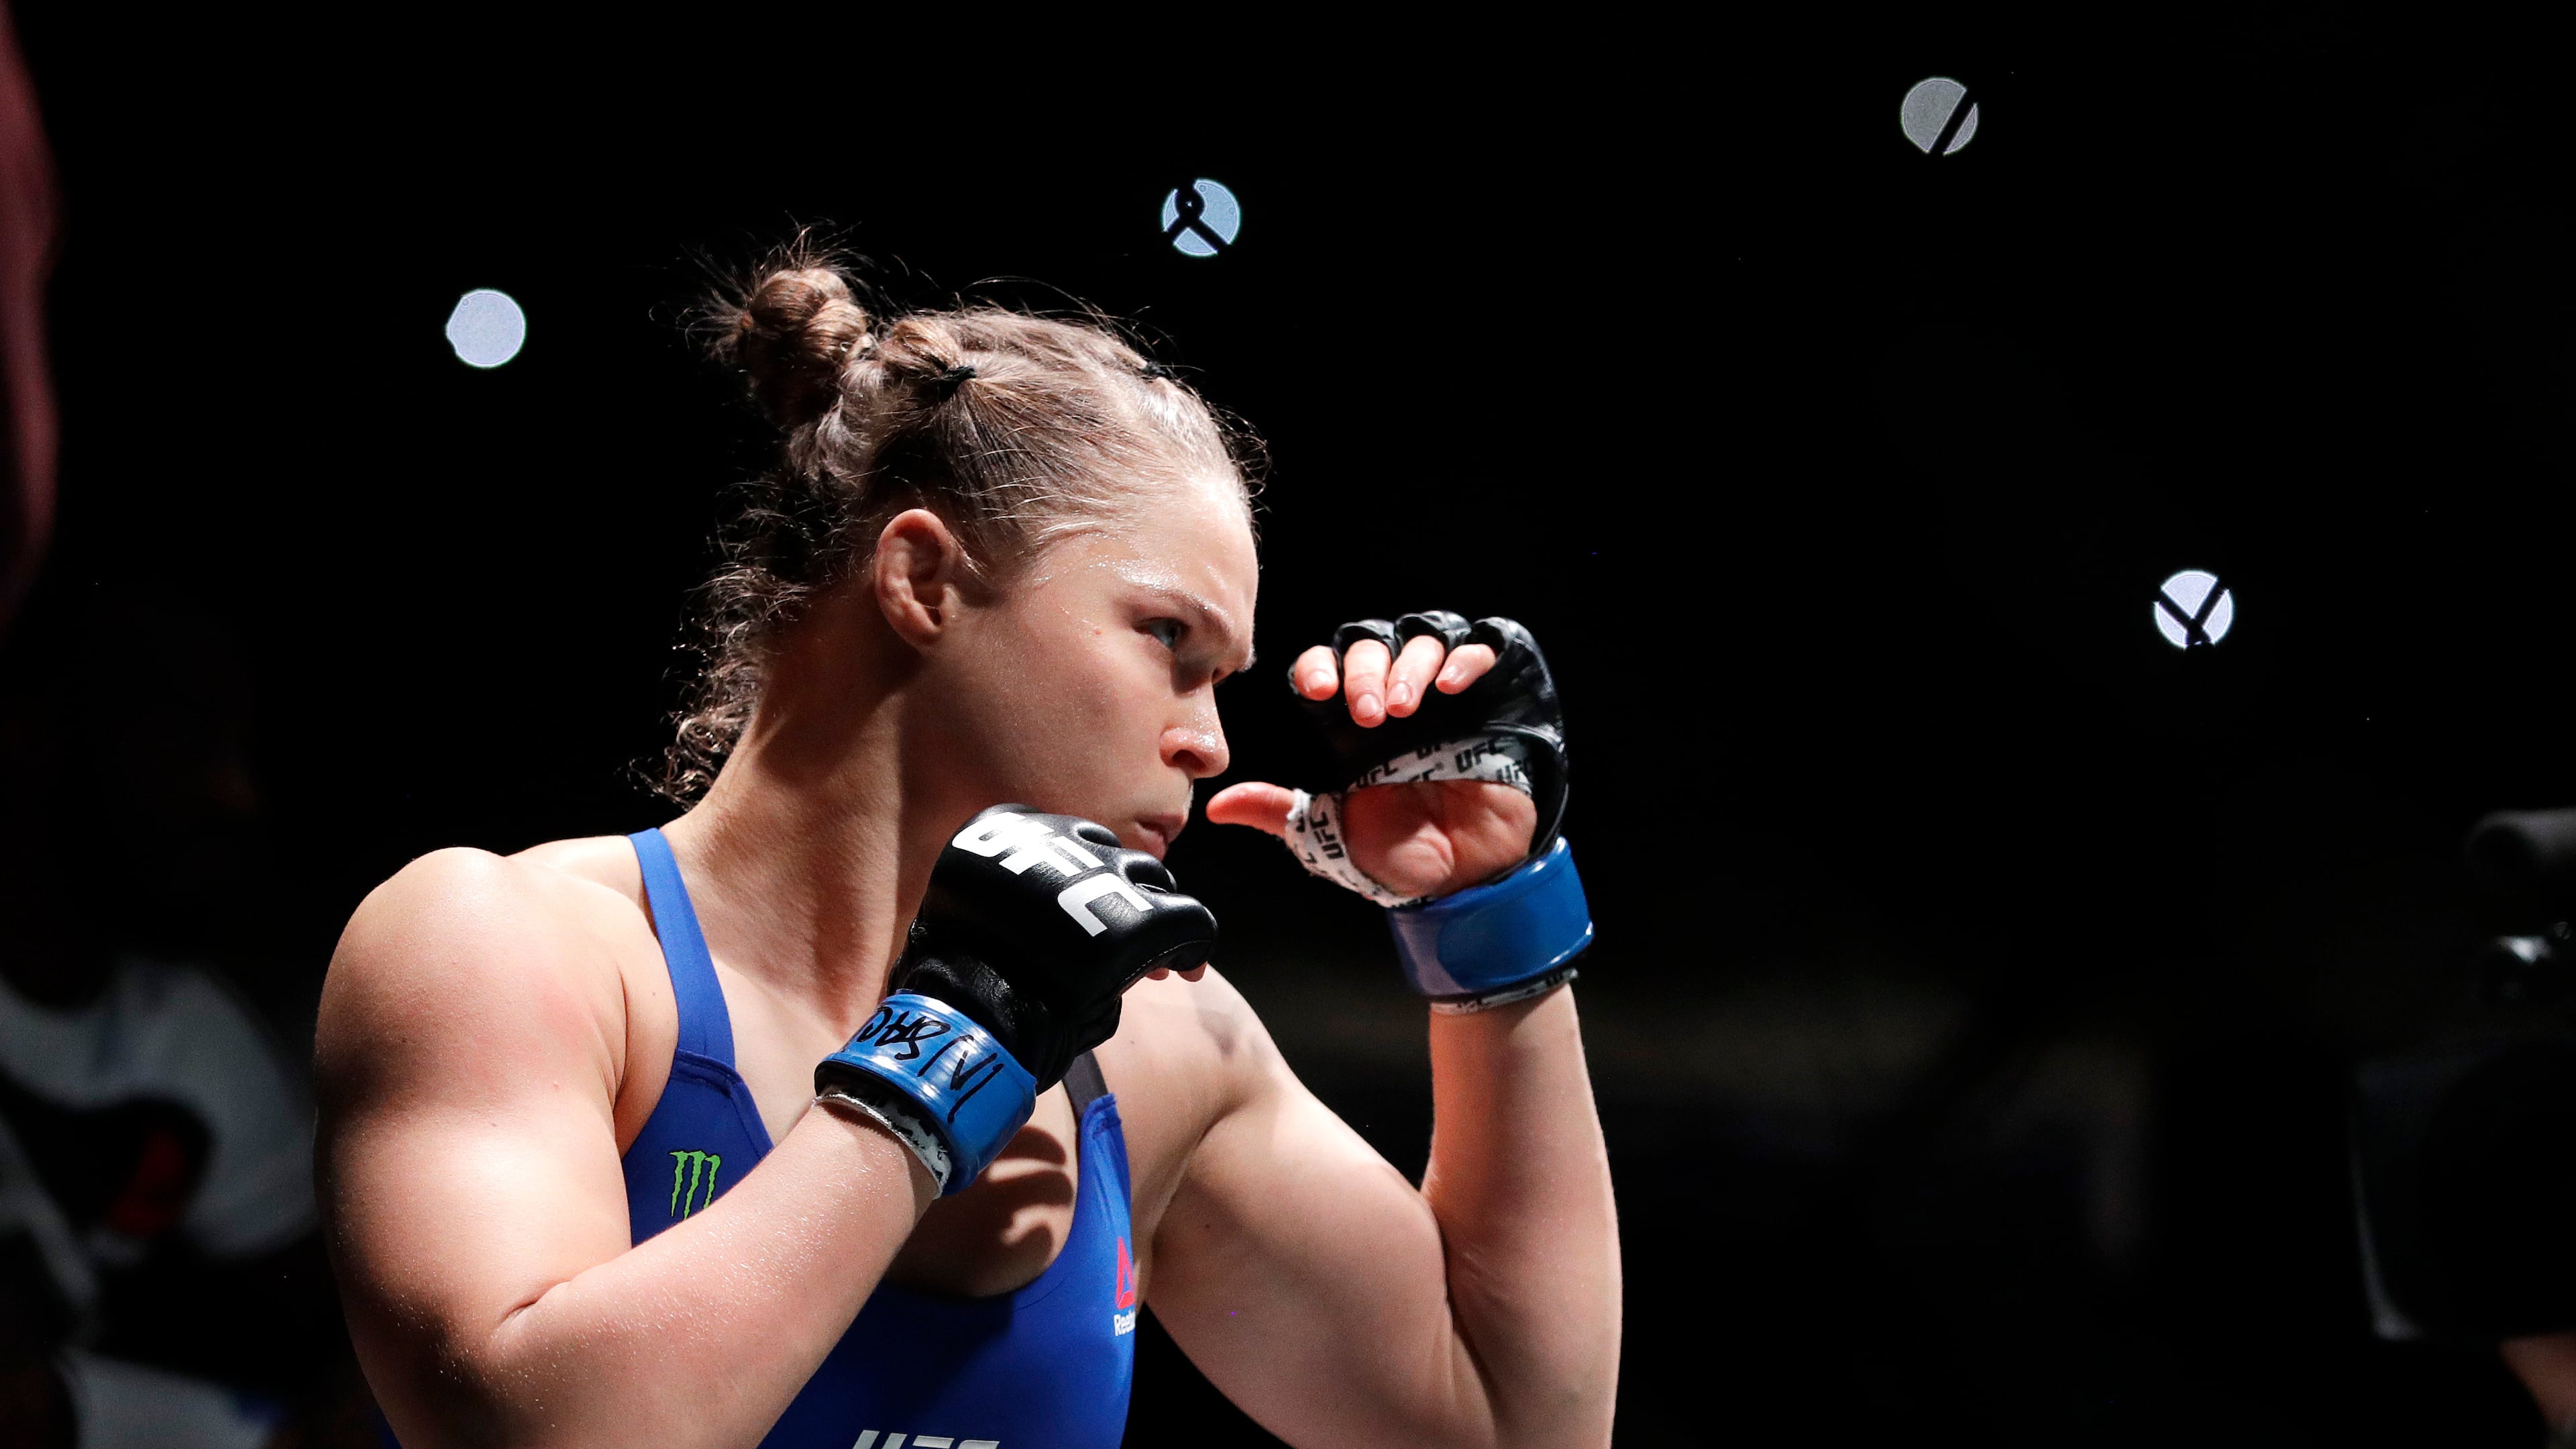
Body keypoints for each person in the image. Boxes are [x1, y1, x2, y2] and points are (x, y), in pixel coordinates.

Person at [315, 255, 1621, 1448]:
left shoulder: (1159, 1053)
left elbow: (1509, 1423)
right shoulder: (513, 952)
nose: (1213, 742)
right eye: (1169, 639)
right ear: (925, 580)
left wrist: (1493, 918)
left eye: (1224, 678)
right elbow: (527, 1436)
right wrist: (939, 1068)